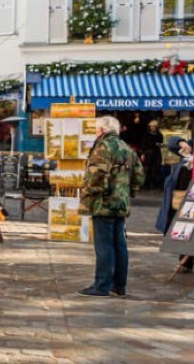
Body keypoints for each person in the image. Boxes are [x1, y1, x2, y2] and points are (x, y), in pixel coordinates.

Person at [78, 116, 145, 298]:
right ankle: (119, 285)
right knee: (119, 244)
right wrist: (127, 193)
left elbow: (96, 174)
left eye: (96, 129)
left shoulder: (103, 146)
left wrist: (89, 193)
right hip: (120, 203)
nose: (95, 132)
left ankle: (101, 286)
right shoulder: (126, 148)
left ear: (102, 130)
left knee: (104, 245)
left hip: (103, 202)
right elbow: (139, 175)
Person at [156, 136, 193, 273]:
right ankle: (185, 263)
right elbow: (171, 143)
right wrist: (181, 142)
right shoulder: (190, 146)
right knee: (185, 227)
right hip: (183, 195)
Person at [140, 120, 163, 189]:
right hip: (148, 153)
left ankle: (155, 184)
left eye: (154, 126)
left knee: (156, 169)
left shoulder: (159, 135)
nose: (152, 128)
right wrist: (143, 154)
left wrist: (159, 144)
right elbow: (143, 145)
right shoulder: (146, 134)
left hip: (157, 153)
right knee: (148, 169)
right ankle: (146, 185)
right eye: (151, 126)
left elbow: (160, 143)